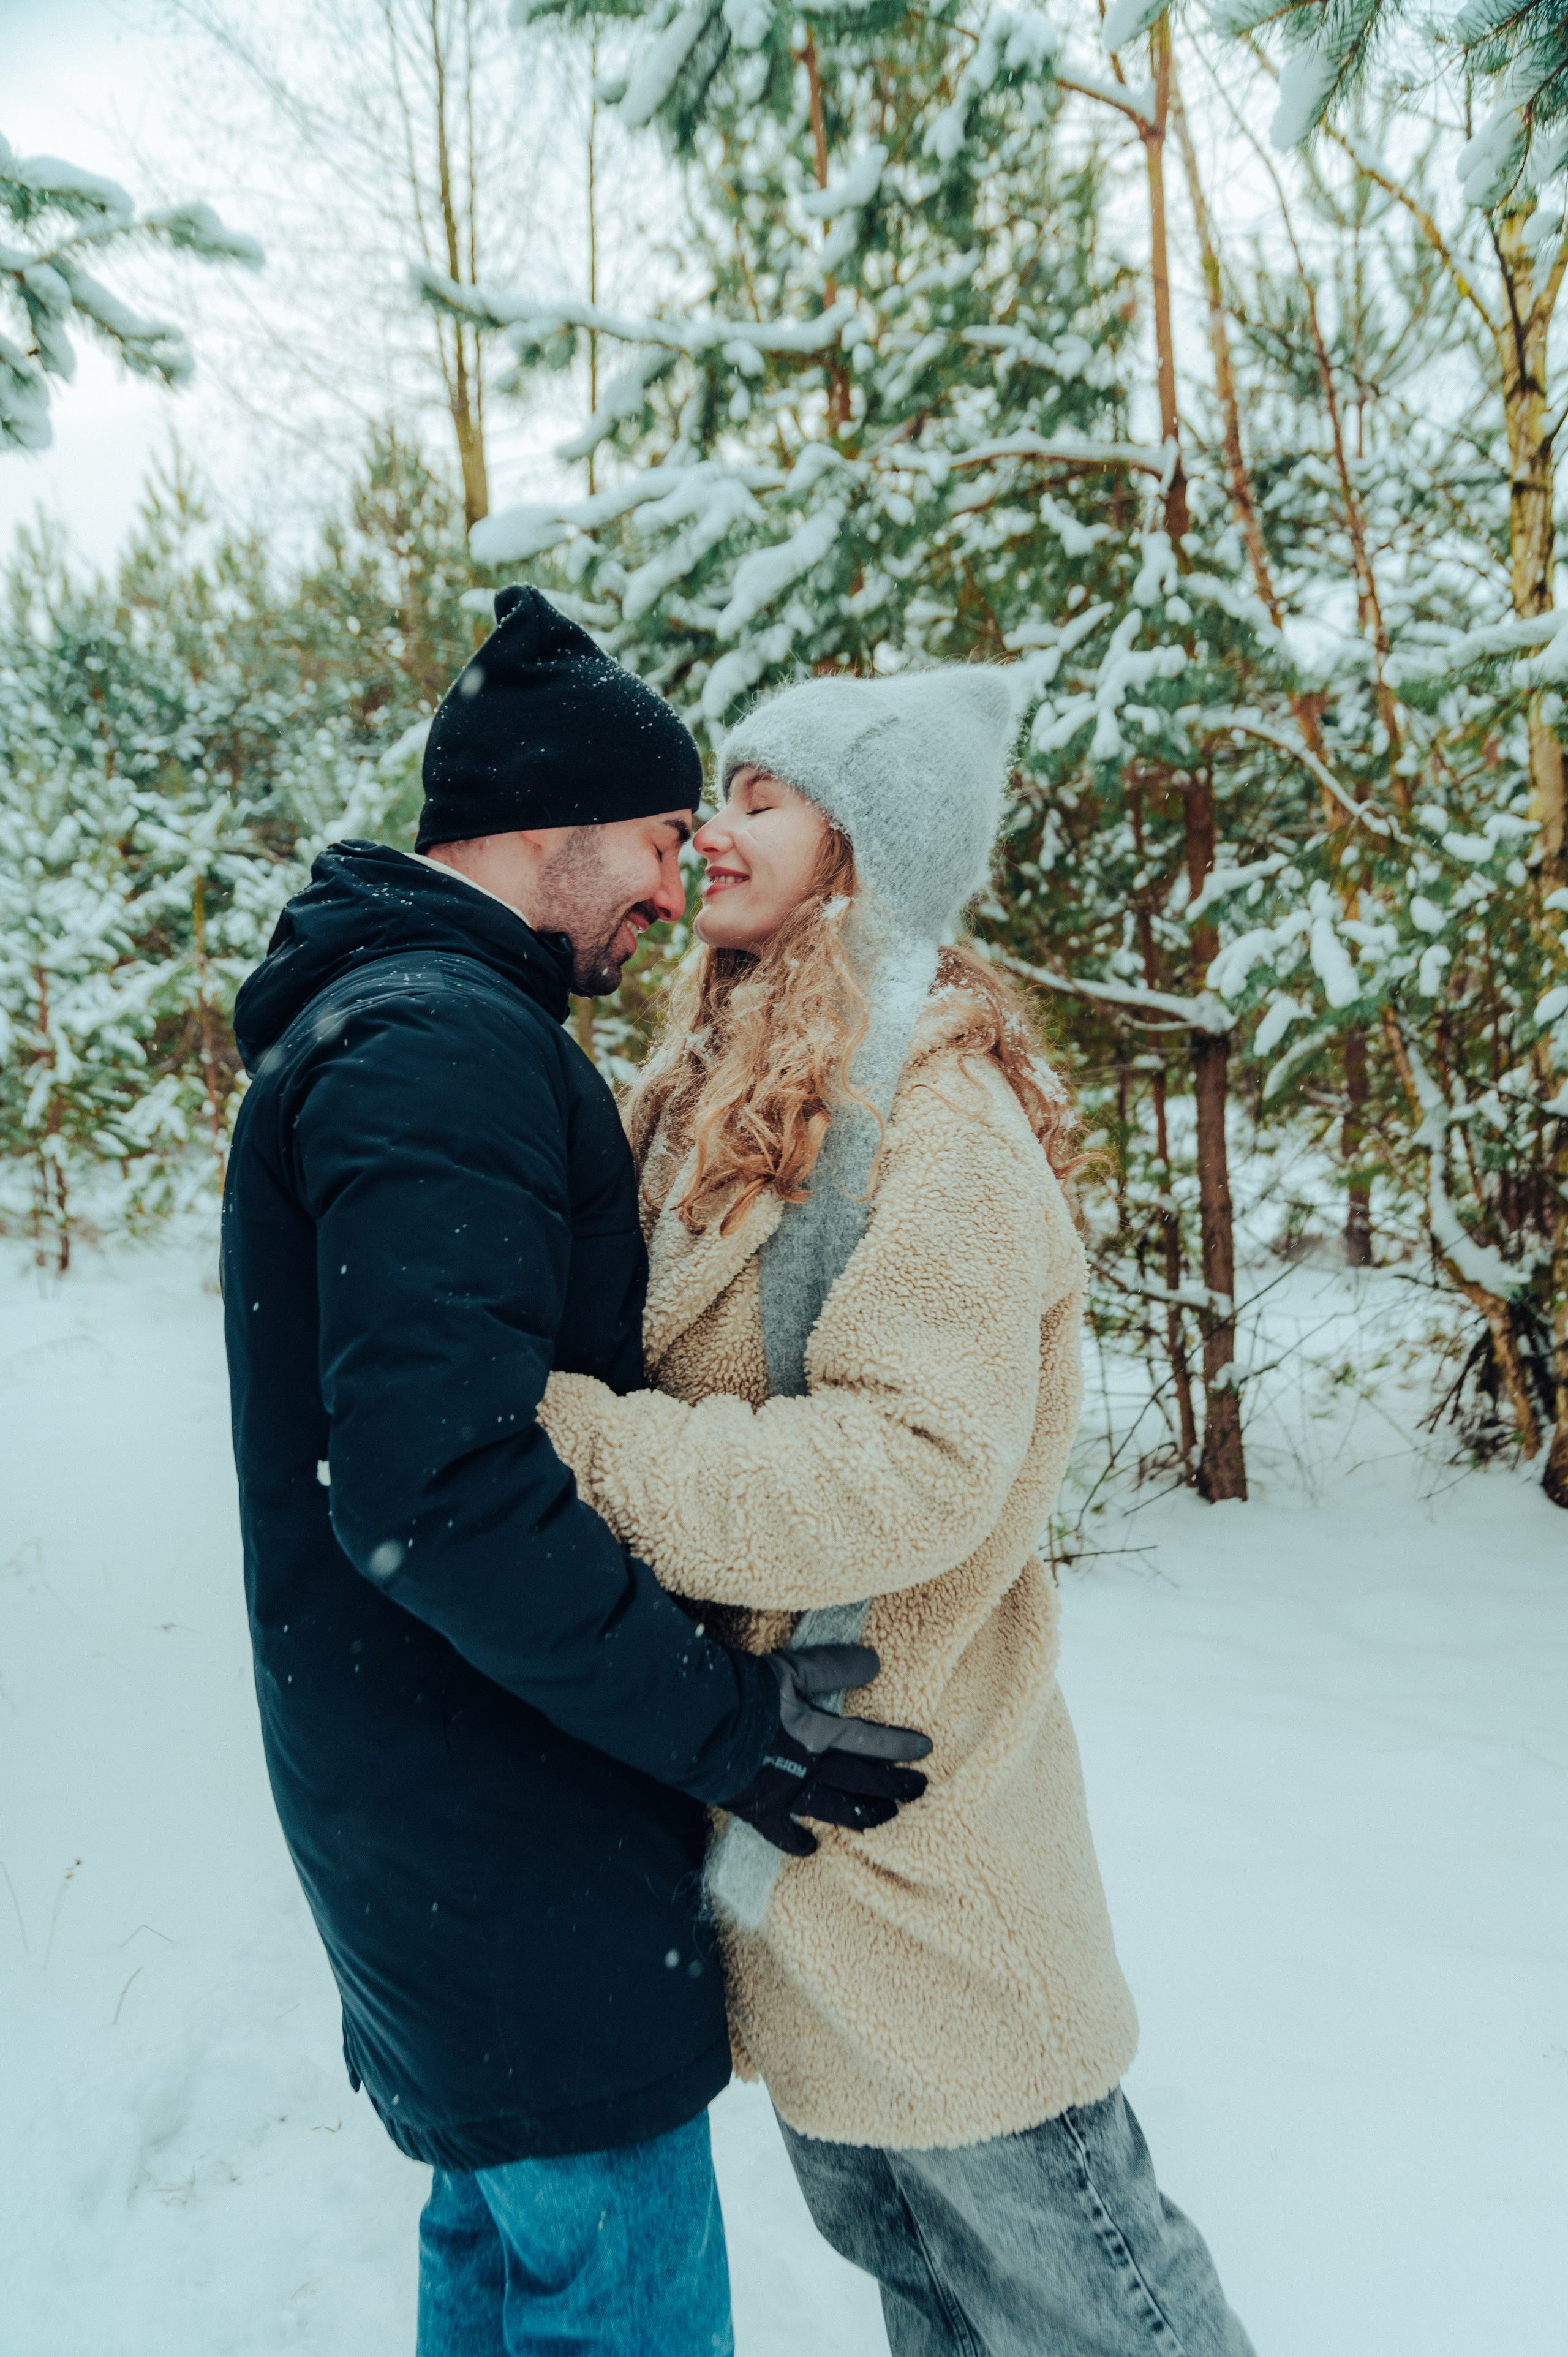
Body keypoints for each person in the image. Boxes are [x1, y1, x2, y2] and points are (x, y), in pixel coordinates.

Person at [221, 587, 930, 2357]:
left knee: (498, 2247)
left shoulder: (397, 1019)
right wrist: (730, 1726)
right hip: (498, 1827)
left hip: (431, 1808)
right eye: (661, 837)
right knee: (615, 2295)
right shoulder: (440, 1047)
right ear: (554, 827)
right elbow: (432, 1491)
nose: (675, 885)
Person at [538, 665, 1256, 2357]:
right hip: (794, 1849)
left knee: (1094, 2312)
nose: (713, 828)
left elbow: (913, 1464)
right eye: (722, 790)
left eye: (764, 797)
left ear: (868, 849)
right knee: (930, 2307)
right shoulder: (721, 1089)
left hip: (927, 1848)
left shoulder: (932, 1108)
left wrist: (590, 1446)